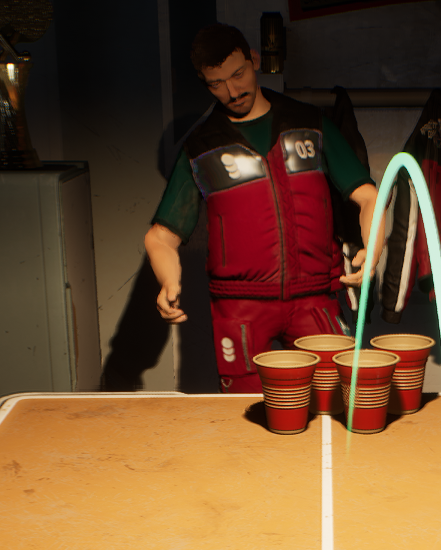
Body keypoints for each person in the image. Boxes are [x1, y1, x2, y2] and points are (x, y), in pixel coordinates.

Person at [144, 24, 380, 393]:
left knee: (335, 400)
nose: (232, 91)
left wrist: (374, 247)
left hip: (314, 297)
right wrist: (168, 280)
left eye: (238, 74)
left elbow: (369, 196)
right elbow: (160, 237)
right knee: (246, 413)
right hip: (239, 307)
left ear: (254, 59)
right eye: (216, 83)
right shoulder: (201, 149)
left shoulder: (311, 125)